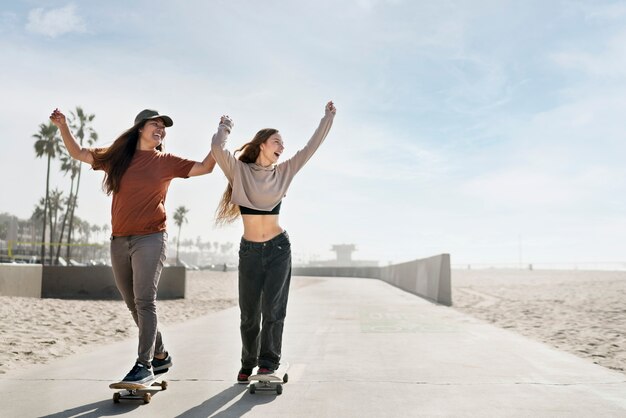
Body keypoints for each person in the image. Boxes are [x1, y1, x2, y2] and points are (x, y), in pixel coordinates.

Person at [50, 108, 217, 386]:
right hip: (119, 239)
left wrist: (219, 140)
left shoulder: (166, 161)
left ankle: (145, 365)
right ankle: (160, 353)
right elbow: (79, 153)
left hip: (151, 238)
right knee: (131, 304)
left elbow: (205, 167)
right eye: (156, 124)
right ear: (140, 127)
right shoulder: (118, 157)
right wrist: (63, 126)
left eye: (164, 127)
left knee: (144, 301)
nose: (161, 129)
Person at [211, 101, 336, 382]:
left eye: (283, 143)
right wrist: (225, 127)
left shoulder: (285, 171)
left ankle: (268, 363)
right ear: (262, 144)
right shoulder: (239, 172)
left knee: (274, 311)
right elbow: (218, 150)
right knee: (249, 313)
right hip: (250, 251)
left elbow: (311, 147)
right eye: (277, 141)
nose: (282, 146)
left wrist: (327, 118)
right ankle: (248, 361)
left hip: (279, 249)